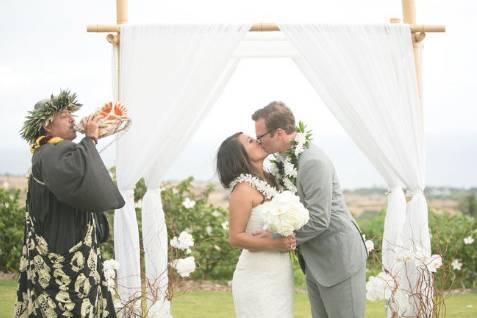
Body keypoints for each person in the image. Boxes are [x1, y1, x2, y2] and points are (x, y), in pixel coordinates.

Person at [252, 101, 368, 318]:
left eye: (261, 137)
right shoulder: (285, 161)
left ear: (278, 133)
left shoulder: (313, 162)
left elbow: (319, 218)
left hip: (339, 258)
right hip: (315, 262)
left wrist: (276, 237)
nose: (259, 142)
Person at [15, 89, 125, 317]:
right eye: (65, 115)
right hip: (63, 249)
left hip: (62, 240)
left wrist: (91, 141)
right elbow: (75, 173)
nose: (73, 119)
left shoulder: (50, 151)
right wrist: (91, 138)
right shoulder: (50, 153)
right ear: (47, 126)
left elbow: (78, 164)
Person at [216, 132, 296, 318]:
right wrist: (275, 244)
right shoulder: (243, 189)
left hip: (280, 272)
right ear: (239, 155)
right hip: (257, 277)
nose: (258, 140)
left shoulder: (272, 180)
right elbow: (235, 237)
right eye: (251, 141)